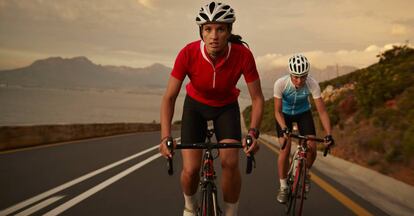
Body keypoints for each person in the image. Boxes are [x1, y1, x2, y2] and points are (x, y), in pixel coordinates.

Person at [158, 2, 264, 216]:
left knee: (230, 162)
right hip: (195, 107)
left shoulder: (243, 55)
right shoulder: (188, 53)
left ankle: (231, 211)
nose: (214, 35)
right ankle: (189, 206)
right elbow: (169, 98)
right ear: (201, 33)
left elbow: (258, 98)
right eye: (208, 29)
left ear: (229, 31)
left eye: (220, 29)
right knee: (190, 169)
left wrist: (253, 132)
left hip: (226, 108)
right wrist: (165, 137)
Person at [273, 54, 334, 203]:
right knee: (285, 147)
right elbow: (277, 111)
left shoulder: (312, 84)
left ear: (307, 75)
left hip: (303, 114)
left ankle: (305, 172)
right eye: (296, 77)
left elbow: (322, 111)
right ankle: (283, 187)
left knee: (312, 147)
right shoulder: (281, 83)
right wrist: (284, 128)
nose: (299, 81)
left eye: (303, 77)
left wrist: (329, 134)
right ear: (290, 74)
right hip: (284, 116)